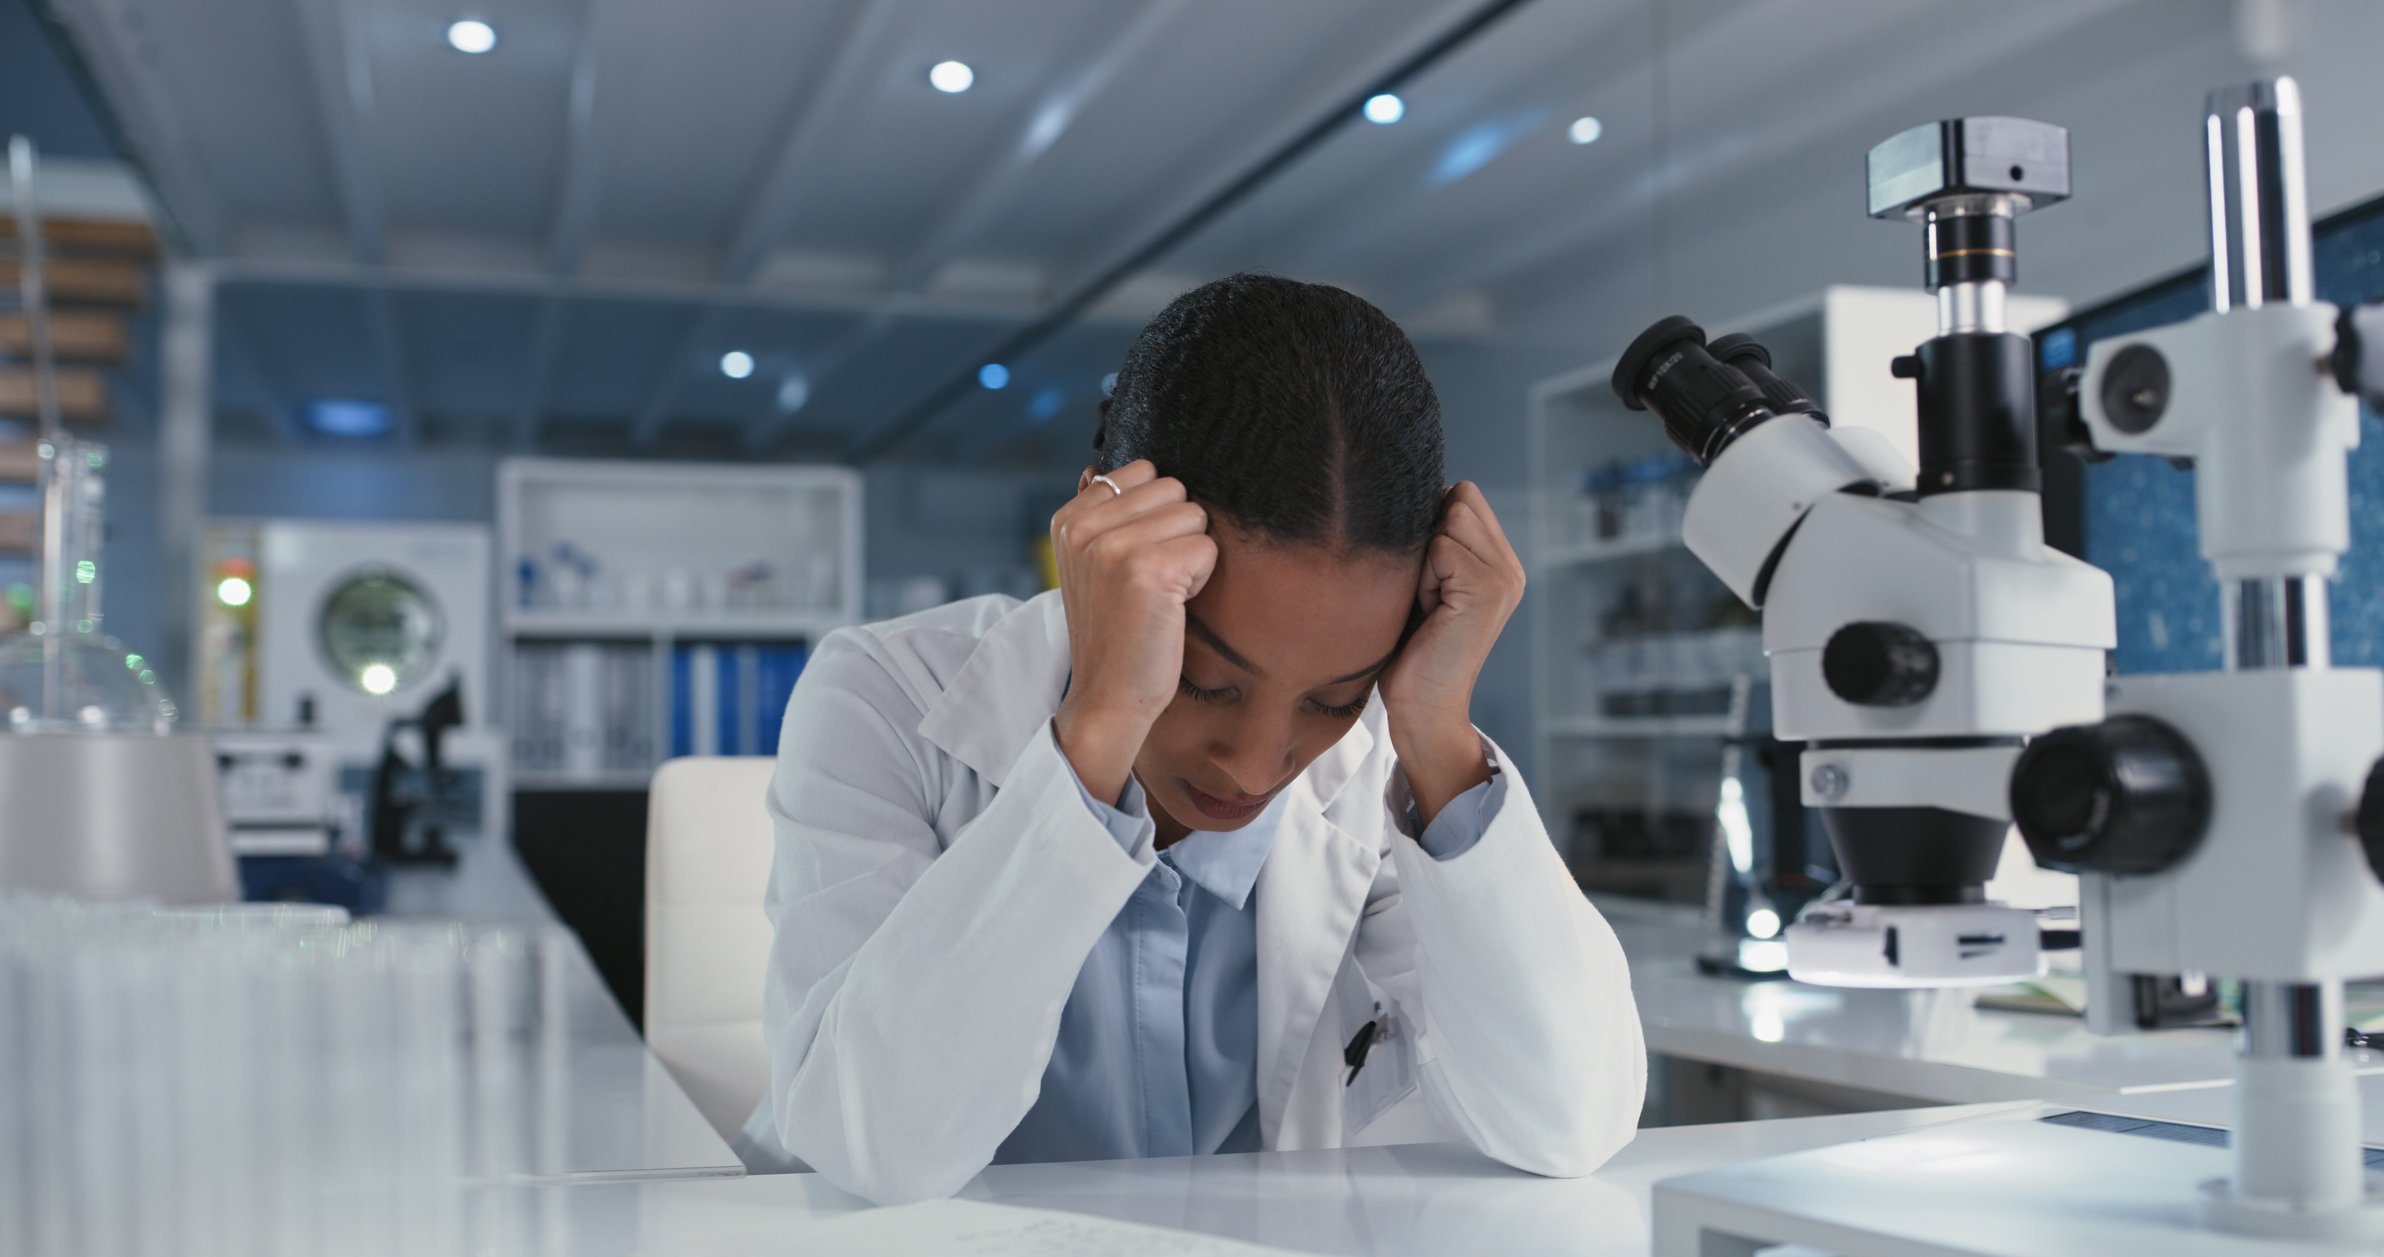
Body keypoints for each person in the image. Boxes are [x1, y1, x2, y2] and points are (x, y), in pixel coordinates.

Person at [737, 274, 1644, 1203]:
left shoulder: (1384, 757)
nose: (1257, 763)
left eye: (1332, 697)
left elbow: (1565, 1122)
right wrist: (1097, 728)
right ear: (1101, 535)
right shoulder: (884, 696)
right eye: (1205, 680)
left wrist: (1436, 729)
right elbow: (876, 1146)